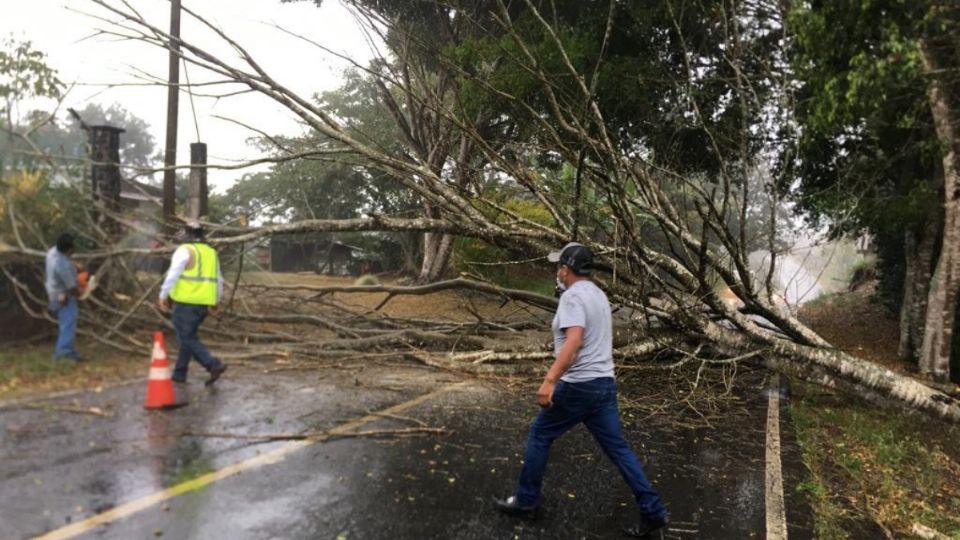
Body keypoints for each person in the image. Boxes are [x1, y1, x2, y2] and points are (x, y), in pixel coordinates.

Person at [494, 242, 669, 538]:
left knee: (540, 433)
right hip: (604, 386)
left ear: (566, 268)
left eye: (558, 266)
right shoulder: (598, 295)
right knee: (618, 449)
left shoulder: (573, 298)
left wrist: (549, 380)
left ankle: (525, 501)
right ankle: (653, 511)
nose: (556, 272)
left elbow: (574, 342)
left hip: (579, 386)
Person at [157, 220, 228, 386]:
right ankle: (179, 374)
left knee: (187, 338)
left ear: (187, 234)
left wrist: (163, 295)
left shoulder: (184, 250)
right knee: (187, 338)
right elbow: (219, 280)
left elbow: (172, 275)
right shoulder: (211, 253)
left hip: (186, 303)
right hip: (202, 305)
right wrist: (216, 301)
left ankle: (213, 364)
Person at [45, 233, 82, 361]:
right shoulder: (63, 266)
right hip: (63, 296)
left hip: (52, 292)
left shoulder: (52, 252)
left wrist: (74, 264)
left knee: (65, 324)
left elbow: (64, 260)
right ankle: (63, 354)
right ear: (69, 249)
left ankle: (70, 352)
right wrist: (82, 292)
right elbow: (72, 287)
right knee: (68, 325)